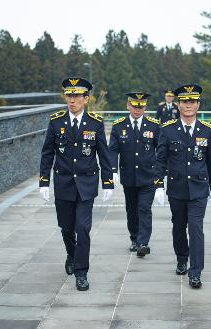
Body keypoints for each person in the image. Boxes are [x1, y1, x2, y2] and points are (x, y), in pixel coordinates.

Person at [39, 77, 114, 291]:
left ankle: (82, 273)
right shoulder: (56, 122)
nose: (72, 100)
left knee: (83, 228)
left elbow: (104, 154)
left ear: (86, 99)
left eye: (77, 96)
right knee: (66, 228)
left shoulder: (95, 123)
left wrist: (108, 182)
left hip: (86, 184)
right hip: (63, 183)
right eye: (69, 96)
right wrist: (44, 181)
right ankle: (71, 254)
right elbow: (47, 153)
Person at [154, 84, 211, 289]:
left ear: (198, 104)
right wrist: (158, 185)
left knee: (196, 228)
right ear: (178, 105)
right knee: (178, 226)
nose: (188, 105)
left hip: (199, 189)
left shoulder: (207, 130)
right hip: (176, 188)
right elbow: (161, 160)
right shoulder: (167, 129)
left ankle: (196, 271)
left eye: (192, 101)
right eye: (185, 102)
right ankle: (182, 257)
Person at [109, 92, 160, 257]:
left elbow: (161, 150)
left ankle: (143, 242)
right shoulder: (119, 125)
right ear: (128, 105)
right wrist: (113, 170)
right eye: (134, 106)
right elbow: (113, 151)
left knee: (144, 208)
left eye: (141, 106)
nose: (138, 109)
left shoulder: (153, 125)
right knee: (131, 210)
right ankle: (134, 238)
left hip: (148, 176)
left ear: (145, 107)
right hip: (129, 176)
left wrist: (161, 175)